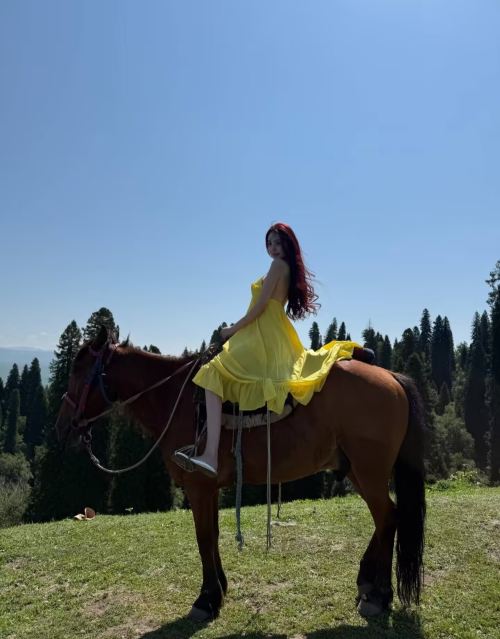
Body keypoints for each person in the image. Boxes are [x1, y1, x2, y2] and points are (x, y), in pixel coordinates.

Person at [173, 222, 359, 478]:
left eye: (278, 243)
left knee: (212, 373)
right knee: (221, 374)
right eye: (269, 243)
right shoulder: (285, 267)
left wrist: (233, 329)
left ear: (287, 244)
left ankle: (211, 455)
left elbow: (260, 307)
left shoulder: (277, 266)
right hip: (269, 330)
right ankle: (214, 450)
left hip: (264, 332)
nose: (273, 248)